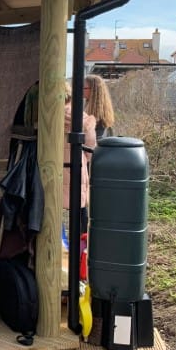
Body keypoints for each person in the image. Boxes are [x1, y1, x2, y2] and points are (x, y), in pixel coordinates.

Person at [63, 81, 97, 233]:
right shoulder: (82, 118)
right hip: (76, 166)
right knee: (79, 206)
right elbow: (90, 148)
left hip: (53, 169)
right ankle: (81, 239)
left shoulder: (49, 116)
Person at [84, 74, 116, 139]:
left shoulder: (99, 118)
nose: (81, 90)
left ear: (93, 90)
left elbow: (94, 140)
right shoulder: (88, 106)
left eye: (84, 88)